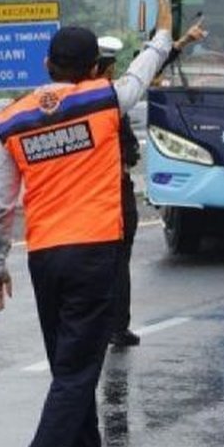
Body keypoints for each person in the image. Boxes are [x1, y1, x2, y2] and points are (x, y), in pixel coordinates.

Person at [0, 0, 205, 447]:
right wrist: (161, 34)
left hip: (44, 257)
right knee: (79, 371)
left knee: (70, 366)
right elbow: (142, 73)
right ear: (90, 70)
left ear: (45, 65)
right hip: (93, 252)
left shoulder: (12, 121)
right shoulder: (103, 101)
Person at [96, 36, 142, 348]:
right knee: (116, 261)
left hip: (89, 197)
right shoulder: (110, 102)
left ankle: (107, 326)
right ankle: (115, 326)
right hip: (112, 193)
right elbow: (129, 148)